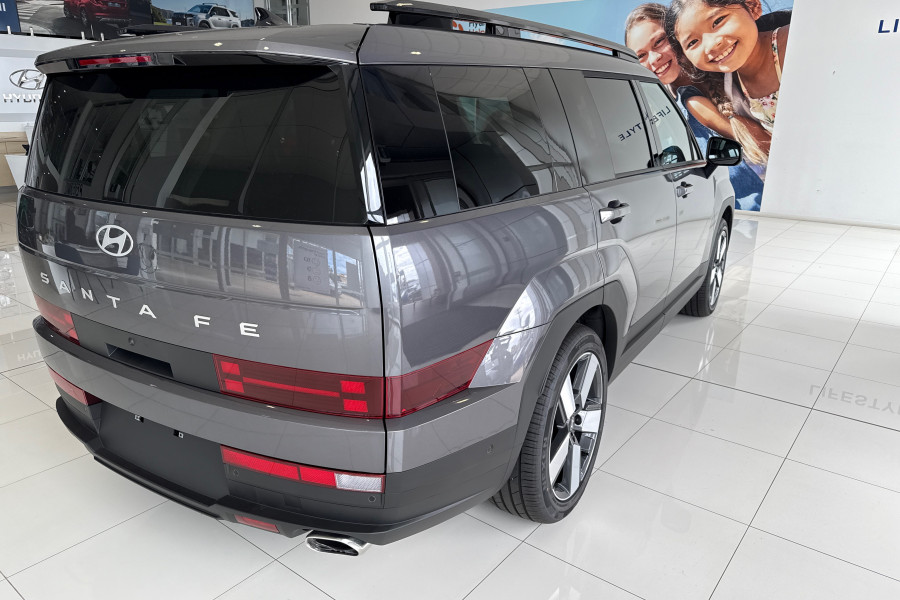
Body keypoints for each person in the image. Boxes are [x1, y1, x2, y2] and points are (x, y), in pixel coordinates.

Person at [625, 2, 763, 208]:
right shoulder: (668, 119)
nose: (654, 59)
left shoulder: (728, 62)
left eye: (659, 42)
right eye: (641, 56)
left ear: (677, 34)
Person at [667, 0, 790, 167]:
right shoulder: (735, 90)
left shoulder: (793, 42)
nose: (711, 44)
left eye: (718, 21)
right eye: (693, 42)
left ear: (752, 6)